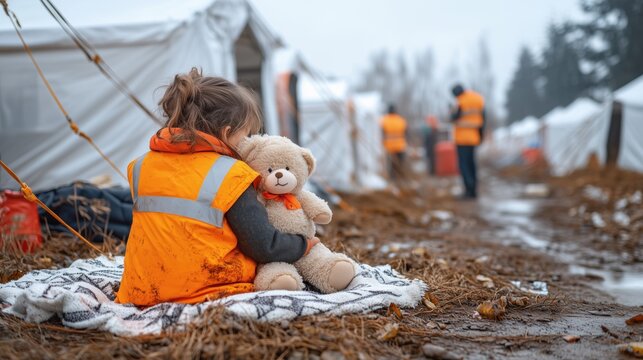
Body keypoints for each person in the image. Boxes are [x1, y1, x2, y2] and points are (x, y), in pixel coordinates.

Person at [115, 68, 319, 306]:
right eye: (245, 135)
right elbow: (264, 245)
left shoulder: (140, 166)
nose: (246, 143)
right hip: (208, 288)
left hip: (140, 291)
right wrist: (303, 245)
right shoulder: (230, 174)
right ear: (227, 133)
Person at [450, 84, 485, 199]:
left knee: (464, 165)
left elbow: (455, 117)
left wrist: (451, 114)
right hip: (474, 137)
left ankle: (468, 191)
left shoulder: (460, 101)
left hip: (462, 139)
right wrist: (481, 136)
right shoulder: (478, 98)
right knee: (472, 164)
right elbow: (483, 118)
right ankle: (474, 190)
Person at [379, 104, 408, 182]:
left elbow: (382, 132)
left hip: (389, 146)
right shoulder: (401, 120)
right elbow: (406, 132)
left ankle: (393, 179)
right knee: (399, 164)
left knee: (391, 165)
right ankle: (400, 178)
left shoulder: (384, 120)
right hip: (400, 145)